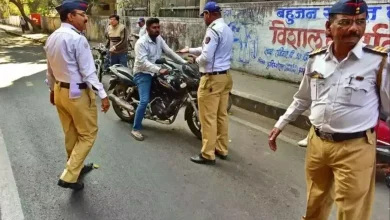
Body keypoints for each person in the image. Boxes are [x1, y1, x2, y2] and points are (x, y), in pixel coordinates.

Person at [268, 0, 389, 219]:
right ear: (328, 28)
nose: (354, 28)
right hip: (317, 143)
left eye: (360, 22)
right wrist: (280, 124)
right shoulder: (316, 59)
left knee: (352, 211)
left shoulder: (379, 62)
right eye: (345, 22)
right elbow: (303, 98)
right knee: (315, 201)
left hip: (356, 147)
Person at [44, 0, 110, 191]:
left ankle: (76, 167)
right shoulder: (77, 39)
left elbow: (49, 69)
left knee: (71, 132)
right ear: (71, 16)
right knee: (88, 134)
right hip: (77, 93)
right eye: (82, 14)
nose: (86, 18)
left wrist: (51, 89)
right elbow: (89, 72)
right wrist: (103, 95)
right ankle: (70, 175)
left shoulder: (52, 37)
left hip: (60, 91)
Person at [178, 1, 234, 165]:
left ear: (209, 14)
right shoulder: (227, 29)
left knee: (208, 118)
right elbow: (208, 49)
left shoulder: (213, 30)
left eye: (204, 16)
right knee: (221, 115)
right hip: (225, 77)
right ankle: (221, 149)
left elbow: (207, 56)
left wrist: (195, 60)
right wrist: (189, 50)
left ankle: (208, 154)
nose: (204, 19)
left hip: (211, 78)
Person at [131, 17, 188, 141]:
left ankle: (161, 108)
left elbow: (169, 52)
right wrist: (158, 70)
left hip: (156, 70)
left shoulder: (159, 39)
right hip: (143, 73)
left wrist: (184, 63)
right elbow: (143, 62)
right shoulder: (141, 43)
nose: (157, 30)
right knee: (144, 101)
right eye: (154, 27)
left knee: (171, 86)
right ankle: (135, 129)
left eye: (158, 27)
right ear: (147, 29)